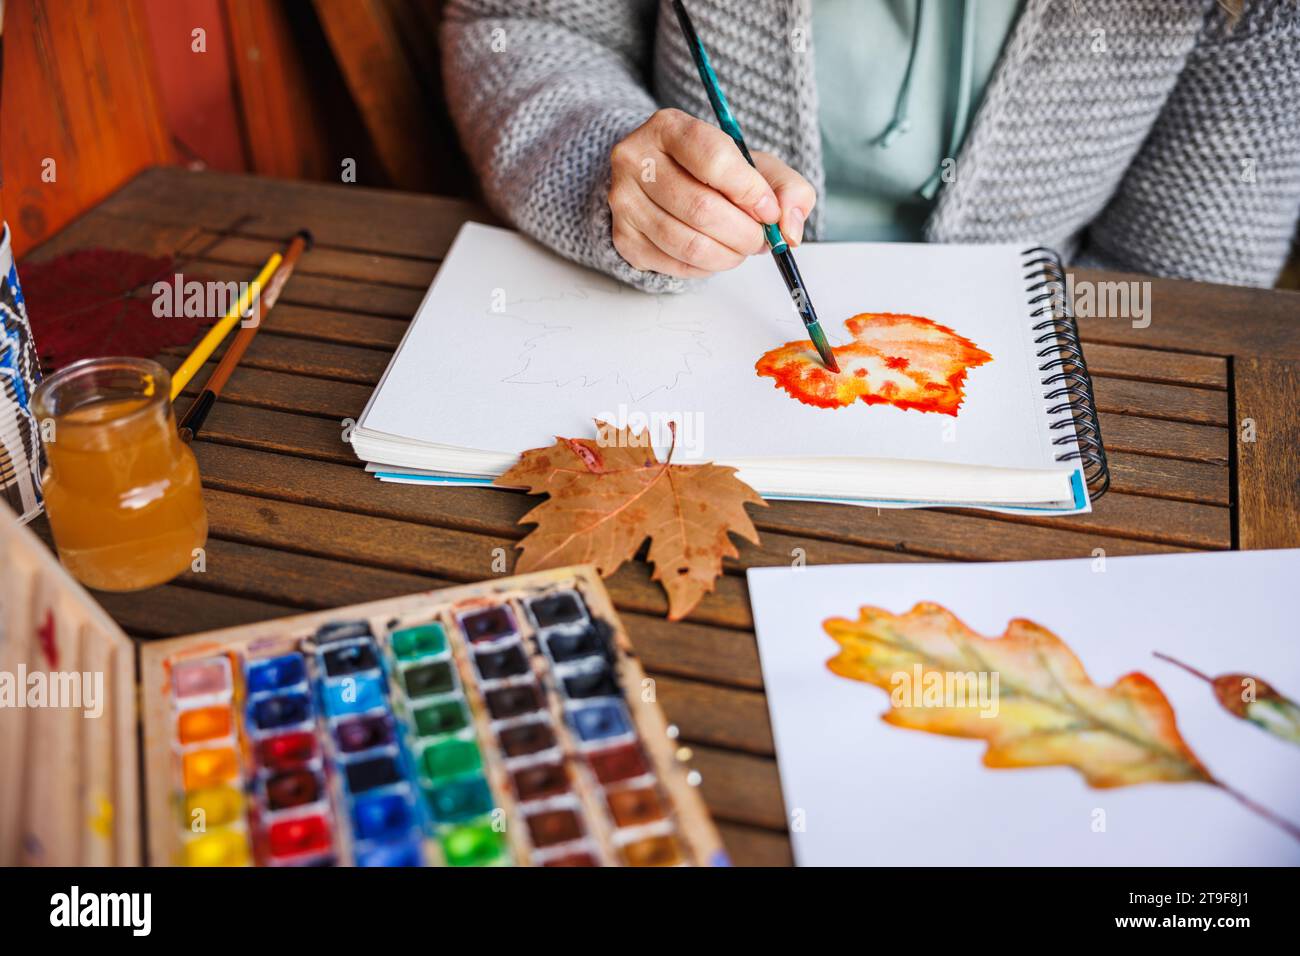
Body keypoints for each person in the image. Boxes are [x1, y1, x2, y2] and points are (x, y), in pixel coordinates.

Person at [441, 1, 1300, 291]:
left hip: (1045, 389)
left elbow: (1183, 290)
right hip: (670, 339)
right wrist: (608, 167)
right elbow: (527, 22)